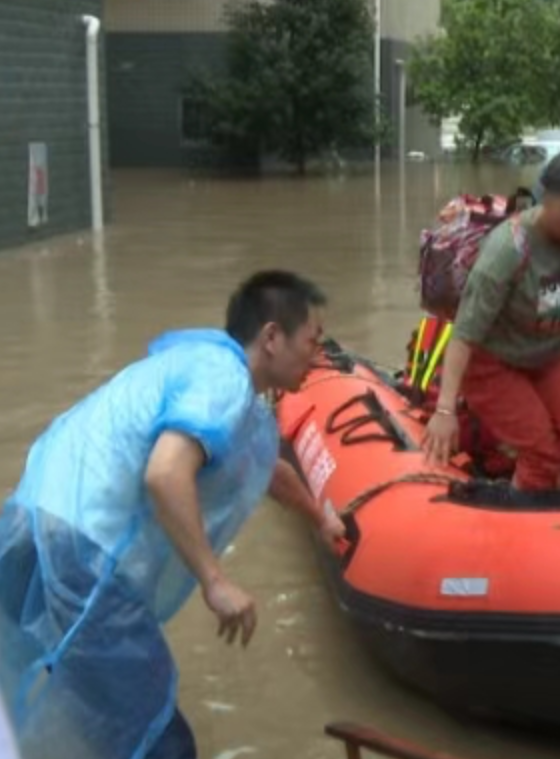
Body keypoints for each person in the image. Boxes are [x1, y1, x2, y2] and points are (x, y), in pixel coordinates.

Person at [0, 270, 339, 759]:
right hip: (85, 552)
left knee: (79, 694)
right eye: (313, 339)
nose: (319, 354)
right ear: (271, 338)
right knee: (159, 737)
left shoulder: (206, 370)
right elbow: (165, 472)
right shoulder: (223, 382)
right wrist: (215, 580)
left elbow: (267, 469)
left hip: (30, 524)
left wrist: (320, 519)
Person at [424, 146, 560, 490]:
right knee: (542, 453)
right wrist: (445, 410)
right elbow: (463, 335)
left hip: (547, 356)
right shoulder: (508, 249)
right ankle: (527, 525)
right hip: (493, 364)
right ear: (546, 197)